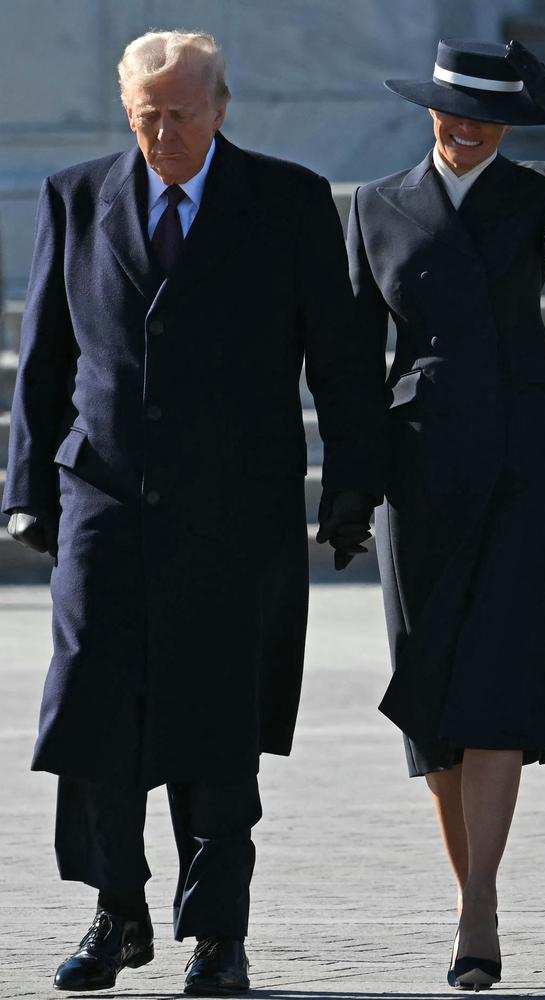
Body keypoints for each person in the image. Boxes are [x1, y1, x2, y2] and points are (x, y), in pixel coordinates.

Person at [3, 30, 383, 996]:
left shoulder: (289, 201)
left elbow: (338, 360)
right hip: (103, 498)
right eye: (145, 116)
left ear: (221, 107)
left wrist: (350, 488)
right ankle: (114, 913)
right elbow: (45, 364)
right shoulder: (77, 197)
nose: (162, 133)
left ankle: (218, 936)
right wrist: (24, 492)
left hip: (234, 510)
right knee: (90, 712)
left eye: (179, 114)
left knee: (216, 725)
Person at [347, 38, 545, 991]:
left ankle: (479, 908)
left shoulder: (533, 192)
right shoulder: (375, 206)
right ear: (428, 110)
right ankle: (474, 891)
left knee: (498, 677)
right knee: (434, 694)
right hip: (418, 475)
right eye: (452, 113)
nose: (464, 132)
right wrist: (348, 483)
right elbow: (350, 361)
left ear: (508, 125)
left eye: (486, 119)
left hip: (527, 463)